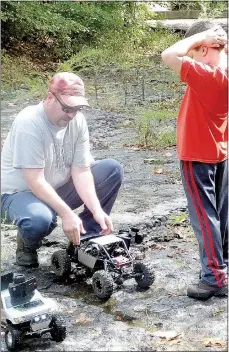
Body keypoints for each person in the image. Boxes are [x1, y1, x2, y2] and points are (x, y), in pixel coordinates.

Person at [1, 72, 124, 268]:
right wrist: (67, 214)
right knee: (40, 219)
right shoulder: (29, 122)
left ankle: (84, 240)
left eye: (77, 108)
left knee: (111, 170)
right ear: (50, 97)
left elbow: (81, 171)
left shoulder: (77, 121)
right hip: (18, 195)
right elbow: (35, 180)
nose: (71, 114)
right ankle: (26, 244)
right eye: (67, 108)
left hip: (54, 188)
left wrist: (97, 210)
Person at [161, 21, 228, 300]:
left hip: (197, 154)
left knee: (205, 217)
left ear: (203, 50)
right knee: (221, 215)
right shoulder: (223, 72)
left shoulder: (208, 75)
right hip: (219, 152)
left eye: (193, 50)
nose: (188, 55)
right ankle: (222, 269)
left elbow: (168, 55)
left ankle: (214, 277)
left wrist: (199, 36)